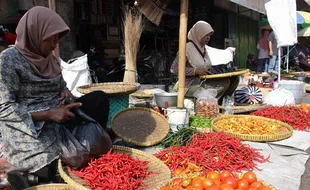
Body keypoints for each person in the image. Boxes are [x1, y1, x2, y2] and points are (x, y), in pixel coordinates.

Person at [0, 6, 110, 189]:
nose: (55, 45)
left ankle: (67, 157)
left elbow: (62, 86)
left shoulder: (50, 59)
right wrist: (48, 114)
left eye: (57, 39)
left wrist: (67, 95)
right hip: (30, 127)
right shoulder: (9, 60)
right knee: (53, 164)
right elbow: (3, 107)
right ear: (35, 34)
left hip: (59, 118)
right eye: (51, 39)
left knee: (99, 100)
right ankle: (32, 174)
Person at [170, 21, 239, 104]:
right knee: (224, 83)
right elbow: (173, 69)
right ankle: (205, 106)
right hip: (189, 85)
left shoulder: (203, 49)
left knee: (234, 79)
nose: (208, 38)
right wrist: (195, 71)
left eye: (209, 36)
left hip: (203, 80)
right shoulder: (187, 48)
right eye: (206, 35)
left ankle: (223, 104)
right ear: (199, 34)